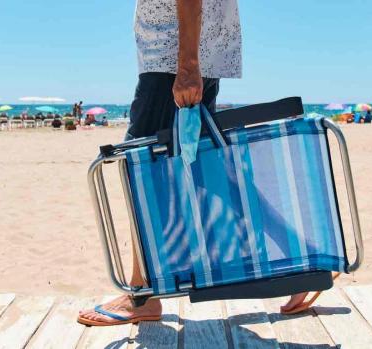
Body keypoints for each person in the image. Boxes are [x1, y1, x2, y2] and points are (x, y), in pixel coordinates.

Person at [78, 0, 314, 327]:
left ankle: (142, 295)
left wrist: (187, 65)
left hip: (173, 58)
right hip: (188, 52)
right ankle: (305, 265)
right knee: (210, 175)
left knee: (143, 170)